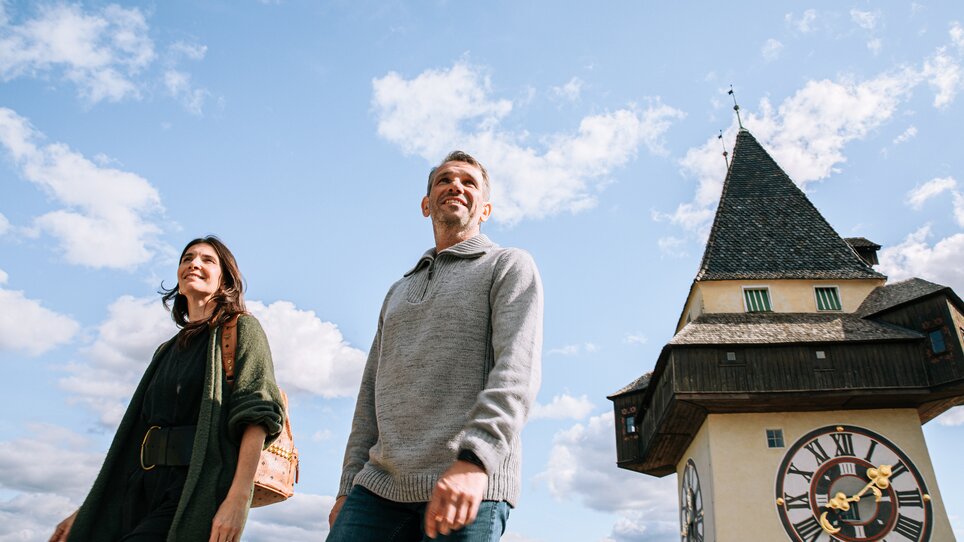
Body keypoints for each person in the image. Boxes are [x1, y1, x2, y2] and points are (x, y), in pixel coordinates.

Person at [327, 151, 543, 542]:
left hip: (465, 479)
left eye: (469, 182)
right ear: (427, 205)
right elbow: (369, 395)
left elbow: (517, 370)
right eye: (444, 180)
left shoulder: (508, 265)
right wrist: (348, 485)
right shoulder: (397, 290)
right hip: (377, 488)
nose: (456, 186)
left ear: (486, 208)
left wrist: (475, 460)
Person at [50, 236, 285, 542]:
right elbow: (133, 438)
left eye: (207, 260)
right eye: (187, 258)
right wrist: (88, 511)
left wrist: (238, 498)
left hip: (193, 487)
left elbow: (257, 415)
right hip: (138, 489)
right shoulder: (166, 350)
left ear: (225, 278)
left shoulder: (241, 329)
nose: (194, 264)